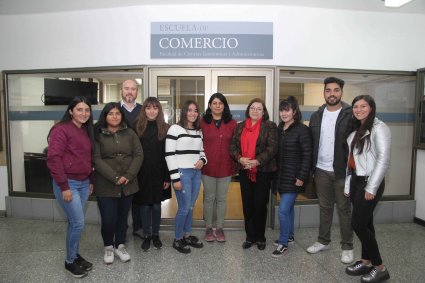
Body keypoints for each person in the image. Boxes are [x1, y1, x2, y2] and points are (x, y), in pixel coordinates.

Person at [307, 77, 355, 264]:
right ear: (324, 92)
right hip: (321, 170)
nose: (332, 94)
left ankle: (347, 247)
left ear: (341, 92)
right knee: (325, 208)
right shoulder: (317, 115)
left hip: (342, 171)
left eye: (336, 90)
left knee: (344, 210)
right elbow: (311, 143)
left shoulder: (350, 114)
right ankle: (323, 241)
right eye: (328, 90)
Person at [46, 96, 95, 278]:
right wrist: (64, 186)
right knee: (78, 223)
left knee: (74, 222)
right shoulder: (60, 129)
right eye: (79, 110)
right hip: (68, 184)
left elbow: (88, 159)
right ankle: (69, 261)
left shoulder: (85, 130)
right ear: (71, 111)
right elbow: (53, 159)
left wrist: (91, 180)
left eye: (87, 110)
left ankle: (74, 256)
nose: (84, 113)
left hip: (83, 183)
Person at [344, 95, 391, 283]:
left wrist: (371, 186)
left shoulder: (380, 128)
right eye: (356, 106)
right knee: (367, 223)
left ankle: (380, 267)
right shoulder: (357, 128)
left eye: (363, 106)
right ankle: (366, 261)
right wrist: (349, 184)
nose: (358, 109)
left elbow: (383, 159)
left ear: (371, 108)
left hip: (371, 181)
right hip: (357, 180)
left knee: (358, 224)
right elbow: (351, 162)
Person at [93, 102, 143, 264]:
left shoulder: (130, 133)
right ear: (105, 116)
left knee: (122, 217)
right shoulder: (97, 133)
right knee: (108, 219)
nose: (114, 116)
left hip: (128, 183)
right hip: (106, 184)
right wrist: (115, 177)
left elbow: (138, 154)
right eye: (111, 113)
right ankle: (108, 247)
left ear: (122, 115)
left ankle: (119, 245)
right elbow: (96, 159)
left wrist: (129, 174)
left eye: (117, 113)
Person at [230, 98, 278, 250]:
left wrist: (257, 161)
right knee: (248, 205)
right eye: (253, 108)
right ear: (248, 110)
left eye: (259, 108)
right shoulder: (240, 127)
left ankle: (260, 237)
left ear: (263, 112)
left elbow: (272, 148)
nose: (255, 111)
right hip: (245, 171)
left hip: (262, 172)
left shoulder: (270, 126)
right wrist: (240, 158)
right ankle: (249, 236)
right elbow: (232, 146)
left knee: (260, 205)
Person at [272, 96, 312, 258]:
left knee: (282, 210)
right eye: (282, 110)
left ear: (294, 111)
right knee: (288, 209)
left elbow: (307, 155)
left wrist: (302, 177)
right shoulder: (279, 129)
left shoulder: (302, 130)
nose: (283, 113)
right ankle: (289, 235)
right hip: (281, 177)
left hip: (295, 177)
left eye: (287, 110)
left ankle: (283, 243)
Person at [165, 100, 207, 254]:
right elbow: (169, 155)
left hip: (196, 173)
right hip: (182, 173)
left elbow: (202, 152)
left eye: (196, 110)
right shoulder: (174, 129)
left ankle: (187, 235)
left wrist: (203, 161)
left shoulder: (198, 131)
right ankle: (177, 239)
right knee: (184, 208)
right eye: (189, 110)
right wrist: (175, 178)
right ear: (184, 112)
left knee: (190, 206)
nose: (193, 113)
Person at [133, 97, 171, 251]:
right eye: (148, 108)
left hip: (159, 173)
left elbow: (169, 154)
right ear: (144, 110)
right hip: (141, 173)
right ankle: (146, 235)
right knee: (144, 206)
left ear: (159, 110)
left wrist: (167, 176)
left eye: (155, 108)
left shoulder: (166, 128)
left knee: (156, 206)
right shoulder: (136, 127)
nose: (152, 111)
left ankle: (155, 234)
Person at [200, 93, 237, 242]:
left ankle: (220, 228)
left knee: (221, 199)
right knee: (209, 198)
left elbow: (235, 145)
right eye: (214, 103)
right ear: (209, 105)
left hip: (226, 167)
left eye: (220, 103)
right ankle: (209, 227)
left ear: (224, 106)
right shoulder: (202, 122)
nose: (217, 106)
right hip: (207, 167)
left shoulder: (232, 123)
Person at [119, 79, 144, 239]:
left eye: (133, 89)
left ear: (137, 92)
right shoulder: (113, 110)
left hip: (139, 161)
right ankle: (120, 229)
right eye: (126, 88)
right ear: (121, 90)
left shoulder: (143, 110)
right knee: (120, 198)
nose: (130, 92)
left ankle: (138, 227)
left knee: (138, 196)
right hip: (118, 162)